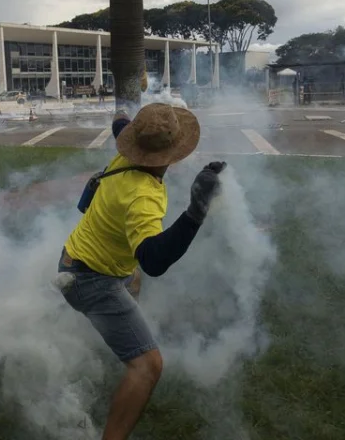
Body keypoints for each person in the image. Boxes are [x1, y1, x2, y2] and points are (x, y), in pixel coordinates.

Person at [55, 102, 225, 440]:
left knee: (132, 280)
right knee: (149, 366)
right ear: (173, 152)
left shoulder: (127, 152)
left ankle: (124, 332)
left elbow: (120, 123)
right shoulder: (143, 195)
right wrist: (196, 209)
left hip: (76, 257)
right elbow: (153, 259)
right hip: (90, 280)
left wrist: (123, 108)